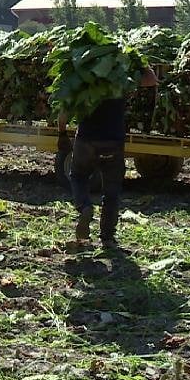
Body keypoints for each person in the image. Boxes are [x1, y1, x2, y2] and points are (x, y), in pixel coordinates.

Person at [58, 67, 158, 249]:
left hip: (86, 139)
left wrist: (62, 133)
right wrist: (139, 61)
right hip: (114, 140)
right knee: (112, 191)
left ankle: (85, 207)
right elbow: (151, 79)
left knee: (78, 176)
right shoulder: (120, 75)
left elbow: (64, 111)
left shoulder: (81, 75)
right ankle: (107, 238)